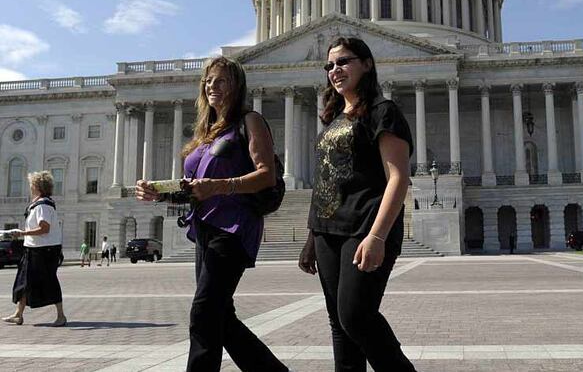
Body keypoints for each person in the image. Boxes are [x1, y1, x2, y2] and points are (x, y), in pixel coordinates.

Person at [135, 56, 287, 372]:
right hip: (205, 226)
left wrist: (219, 186)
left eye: (220, 80)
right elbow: (194, 190)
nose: (211, 86)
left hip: (234, 226)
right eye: (208, 81)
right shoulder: (207, 133)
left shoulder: (250, 121)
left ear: (236, 85)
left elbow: (267, 175)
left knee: (203, 313)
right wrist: (158, 193)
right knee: (220, 315)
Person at [299, 37, 417, 371]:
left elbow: (398, 177)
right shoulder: (334, 118)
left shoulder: (383, 112)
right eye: (330, 65)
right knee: (340, 325)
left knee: (356, 317)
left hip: (365, 226)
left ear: (366, 64)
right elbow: (325, 180)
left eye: (344, 62)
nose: (335, 70)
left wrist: (378, 236)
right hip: (327, 231)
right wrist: (312, 238)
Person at [2, 171, 67, 327]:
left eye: (32, 184)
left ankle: (61, 316)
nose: (30, 186)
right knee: (24, 281)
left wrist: (22, 233)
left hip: (44, 251)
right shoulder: (38, 204)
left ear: (37, 186)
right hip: (33, 248)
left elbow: (44, 228)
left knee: (49, 281)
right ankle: (18, 314)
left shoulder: (43, 205)